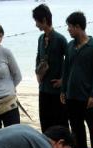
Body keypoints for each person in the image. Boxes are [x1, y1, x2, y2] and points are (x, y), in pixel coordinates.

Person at [61, 11, 93, 148]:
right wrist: (63, 90)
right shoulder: (70, 46)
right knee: (76, 126)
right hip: (71, 95)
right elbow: (66, 70)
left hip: (88, 96)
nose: (68, 30)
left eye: (70, 27)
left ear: (78, 27)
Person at [33, 4, 69, 132]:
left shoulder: (60, 39)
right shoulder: (41, 39)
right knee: (45, 118)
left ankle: (66, 146)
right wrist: (37, 74)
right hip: (43, 87)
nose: (36, 25)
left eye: (36, 22)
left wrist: (63, 80)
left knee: (61, 119)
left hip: (57, 90)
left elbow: (70, 60)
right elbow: (38, 57)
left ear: (43, 20)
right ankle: (47, 144)